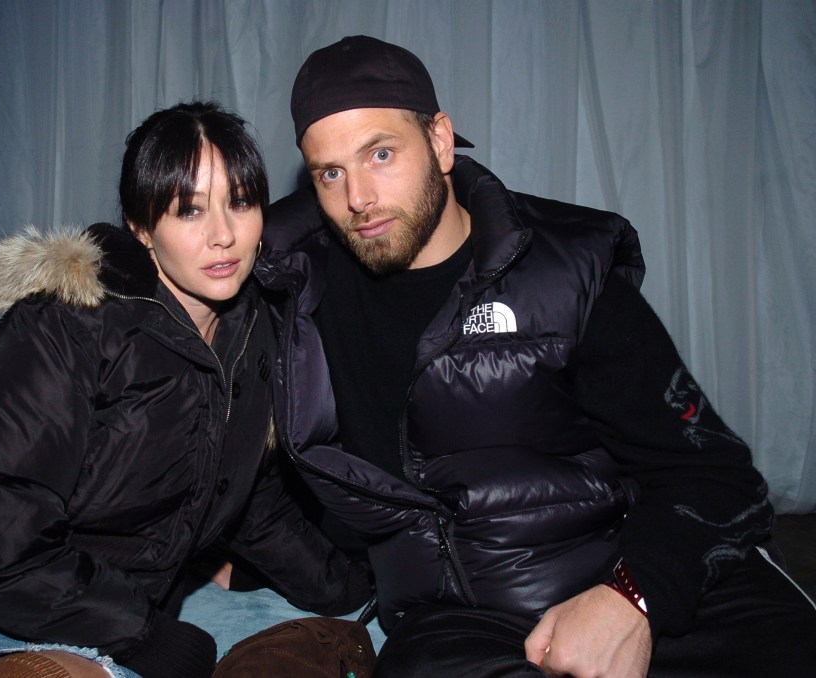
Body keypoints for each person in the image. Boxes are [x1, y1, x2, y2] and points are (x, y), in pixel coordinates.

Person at [253, 35, 816, 677]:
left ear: (440, 140)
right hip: (463, 619)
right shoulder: (295, 287)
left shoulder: (565, 271)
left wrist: (633, 598)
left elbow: (717, 477)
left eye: (380, 153)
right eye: (331, 172)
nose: (358, 198)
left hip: (626, 571)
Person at [0, 101, 370, 678]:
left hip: (97, 622)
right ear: (141, 229)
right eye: (188, 211)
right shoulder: (63, 326)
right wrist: (150, 638)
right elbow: (0, 555)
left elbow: (250, 496)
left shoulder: (257, 332)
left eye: (241, 203)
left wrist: (348, 585)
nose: (223, 235)